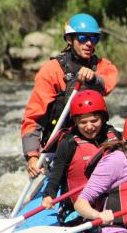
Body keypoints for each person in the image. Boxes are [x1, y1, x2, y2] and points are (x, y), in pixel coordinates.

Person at [21, 13, 119, 178]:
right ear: (69, 39)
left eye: (94, 39)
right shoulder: (52, 70)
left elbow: (106, 84)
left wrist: (94, 78)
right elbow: (33, 118)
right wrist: (32, 156)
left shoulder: (102, 66)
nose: (89, 43)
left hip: (94, 136)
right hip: (61, 143)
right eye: (82, 38)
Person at [40, 90, 121, 220]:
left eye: (94, 120)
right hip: (77, 209)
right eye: (83, 122)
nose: (89, 127)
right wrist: (49, 194)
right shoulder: (68, 143)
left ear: (103, 118)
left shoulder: (115, 137)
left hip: (109, 206)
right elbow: (56, 174)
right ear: (75, 122)